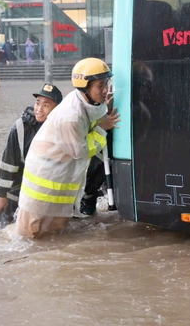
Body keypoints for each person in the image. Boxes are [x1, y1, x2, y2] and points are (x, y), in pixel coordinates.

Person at [15, 58, 120, 239]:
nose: (105, 90)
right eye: (100, 85)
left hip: (60, 183)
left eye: (106, 84)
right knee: (28, 236)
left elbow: (90, 123)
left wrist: (104, 111)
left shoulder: (86, 102)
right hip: (41, 186)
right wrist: (103, 128)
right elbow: (80, 151)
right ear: (85, 87)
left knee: (56, 235)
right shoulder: (70, 116)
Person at [0, 83, 63, 227]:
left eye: (46, 105)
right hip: (13, 191)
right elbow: (8, 163)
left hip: (40, 195)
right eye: (37, 103)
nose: (39, 109)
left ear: (57, 109)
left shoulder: (62, 129)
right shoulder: (21, 127)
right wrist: (1, 194)